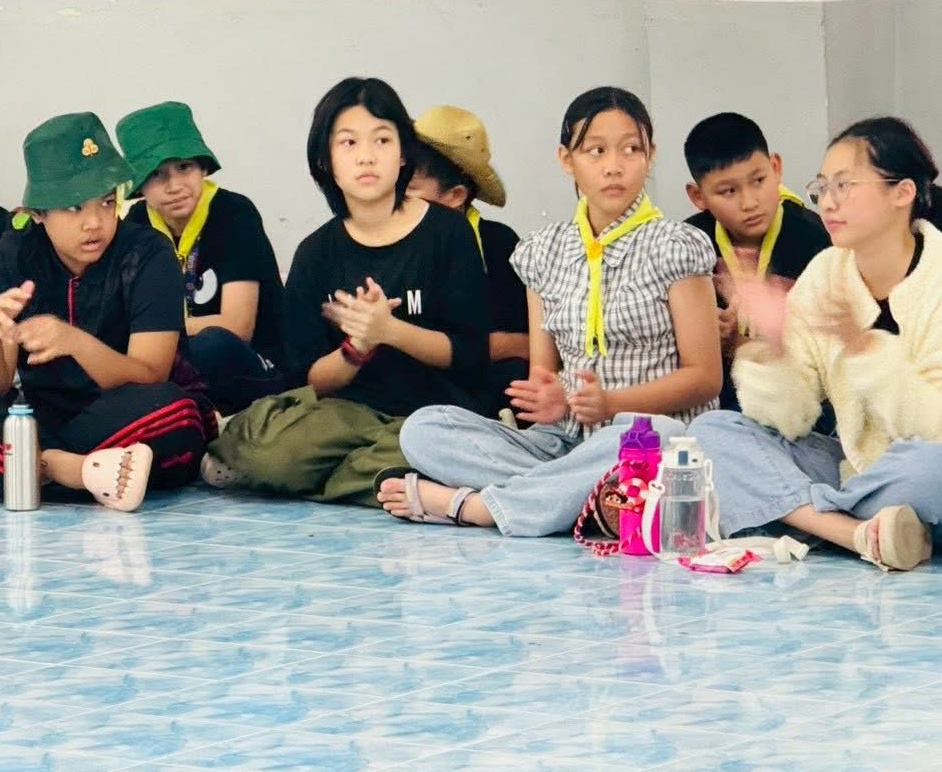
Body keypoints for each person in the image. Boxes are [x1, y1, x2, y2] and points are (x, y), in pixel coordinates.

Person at [379, 86, 721, 532]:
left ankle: (478, 507)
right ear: (566, 159)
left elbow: (704, 378)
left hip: (645, 440)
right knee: (424, 429)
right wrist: (550, 396)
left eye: (631, 149)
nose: (613, 166)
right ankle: (586, 499)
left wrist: (611, 404)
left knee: (660, 437)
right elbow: (544, 375)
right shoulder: (543, 252)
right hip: (564, 443)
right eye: (595, 151)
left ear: (650, 156)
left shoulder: (677, 246)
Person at [203, 77, 490, 507]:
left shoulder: (447, 233)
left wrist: (390, 331)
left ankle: (355, 478)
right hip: (348, 414)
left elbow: (470, 355)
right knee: (272, 458)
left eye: (382, 139)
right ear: (326, 161)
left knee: (426, 451)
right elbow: (311, 381)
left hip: (433, 415)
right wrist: (357, 347)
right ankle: (388, 482)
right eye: (348, 142)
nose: (366, 156)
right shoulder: (316, 253)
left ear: (403, 153)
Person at [0, 112, 208, 511]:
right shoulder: (14, 255)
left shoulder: (147, 253)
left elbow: (151, 374)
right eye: (73, 207)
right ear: (37, 213)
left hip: (125, 414)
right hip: (43, 418)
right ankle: (77, 471)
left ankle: (10, 467)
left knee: (175, 411)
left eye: (106, 203)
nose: (94, 223)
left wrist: (75, 343)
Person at [693, 117, 942, 572]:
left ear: (902, 192)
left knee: (933, 468)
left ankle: (806, 516)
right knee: (713, 433)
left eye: (844, 186)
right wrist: (773, 348)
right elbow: (792, 419)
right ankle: (856, 533)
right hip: (850, 469)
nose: (827, 202)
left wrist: (863, 348)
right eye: (822, 187)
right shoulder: (827, 272)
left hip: (920, 467)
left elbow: (933, 427)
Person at [116, 101, 286, 412]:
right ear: (139, 186)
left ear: (203, 167)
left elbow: (237, 327)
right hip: (177, 362)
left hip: (255, 364)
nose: (174, 186)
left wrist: (160, 331)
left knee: (211, 345)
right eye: (156, 174)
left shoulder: (235, 213)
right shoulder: (136, 225)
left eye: (184, 167)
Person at [682, 111, 829, 409]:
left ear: (776, 168)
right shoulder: (686, 244)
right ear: (698, 196)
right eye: (728, 191)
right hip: (714, 405)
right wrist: (701, 333)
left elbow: (829, 351)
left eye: (759, 180)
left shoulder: (817, 239)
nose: (749, 202)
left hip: (799, 405)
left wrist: (738, 343)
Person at [406, 105, 529, 414]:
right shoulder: (388, 243)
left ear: (456, 195)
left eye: (410, 189)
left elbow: (532, 344)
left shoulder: (499, 244)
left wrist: (477, 348)